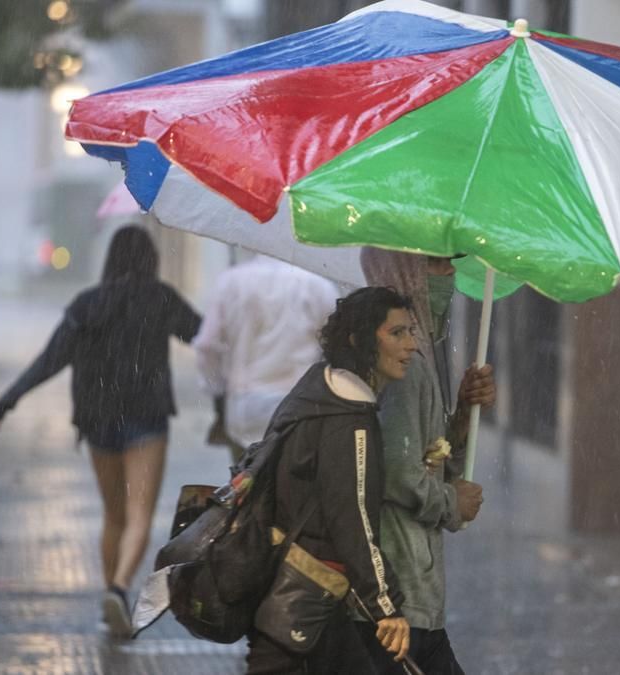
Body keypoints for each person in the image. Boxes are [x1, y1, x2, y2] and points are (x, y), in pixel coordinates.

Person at [0, 225, 201, 639]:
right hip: (146, 419)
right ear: (150, 260)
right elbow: (206, 337)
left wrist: (4, 403)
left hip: (99, 420)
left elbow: (50, 360)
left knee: (114, 516)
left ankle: (111, 597)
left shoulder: (88, 304)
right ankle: (119, 590)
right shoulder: (160, 298)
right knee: (140, 516)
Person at [245, 286, 415, 674]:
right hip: (302, 589)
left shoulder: (319, 390)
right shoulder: (348, 418)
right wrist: (385, 605)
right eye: (397, 333)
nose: (411, 345)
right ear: (358, 340)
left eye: (411, 332)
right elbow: (352, 517)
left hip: (297, 581)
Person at [357, 249, 496, 674]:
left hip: (407, 591)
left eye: (451, 261)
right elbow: (398, 472)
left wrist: (460, 419)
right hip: (402, 589)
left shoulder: (412, 352)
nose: (449, 272)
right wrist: (454, 503)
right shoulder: (407, 365)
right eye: (435, 262)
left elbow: (423, 452)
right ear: (403, 271)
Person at [193, 255, 338, 462]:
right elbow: (334, 344)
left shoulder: (230, 282)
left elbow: (207, 345)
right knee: (293, 484)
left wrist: (216, 388)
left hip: (245, 405)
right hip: (300, 406)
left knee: (244, 484)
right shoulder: (318, 285)